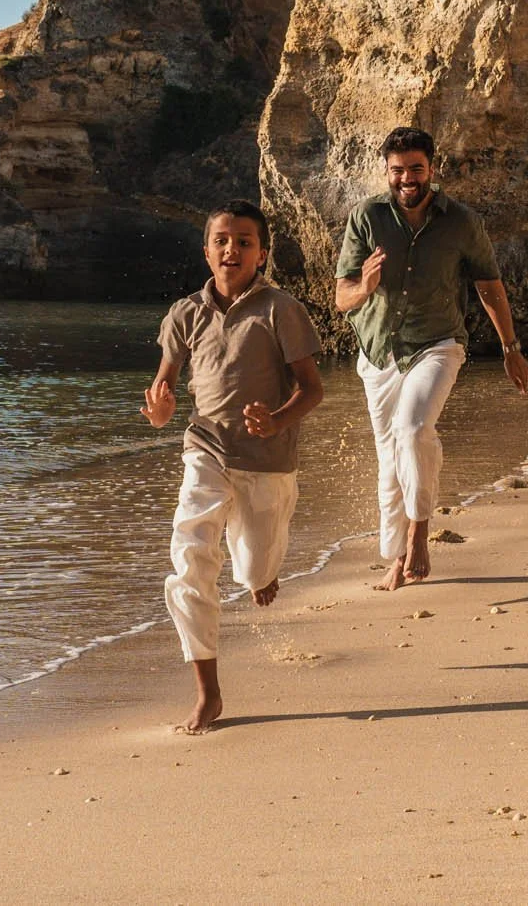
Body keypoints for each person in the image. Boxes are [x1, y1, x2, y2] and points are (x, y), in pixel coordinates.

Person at [145, 201, 325, 734]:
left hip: (268, 460)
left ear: (262, 253)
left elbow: (312, 389)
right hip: (205, 446)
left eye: (244, 242)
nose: (232, 250)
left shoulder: (281, 309)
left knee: (253, 568)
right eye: (221, 241)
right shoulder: (185, 313)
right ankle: (208, 692)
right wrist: (159, 412)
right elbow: (163, 387)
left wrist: (277, 420)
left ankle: (261, 574)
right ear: (206, 251)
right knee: (190, 557)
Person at [333, 125, 528, 590]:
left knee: (413, 428)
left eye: (416, 169)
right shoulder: (366, 217)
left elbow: (489, 286)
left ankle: (419, 532)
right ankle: (396, 557)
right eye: (398, 170)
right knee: (390, 460)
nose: (407, 179)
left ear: (432, 169)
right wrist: (365, 286)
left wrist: (511, 348)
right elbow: (342, 296)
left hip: (438, 344)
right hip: (379, 350)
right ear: (387, 171)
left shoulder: (461, 221)